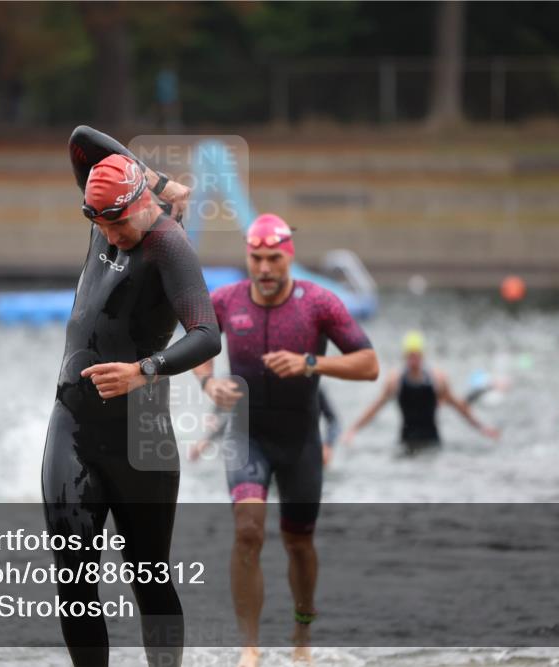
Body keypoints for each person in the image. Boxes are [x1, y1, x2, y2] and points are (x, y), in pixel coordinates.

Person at [41, 125, 221, 667]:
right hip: (72, 424)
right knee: (73, 579)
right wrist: (165, 180)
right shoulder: (104, 209)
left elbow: (207, 334)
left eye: (120, 222)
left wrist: (145, 370)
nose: (113, 234)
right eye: (102, 224)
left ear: (142, 205)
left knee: (150, 579)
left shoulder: (169, 245)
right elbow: (82, 139)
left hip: (141, 439)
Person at [192, 213, 379, 667]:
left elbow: (369, 364)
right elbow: (198, 343)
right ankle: (250, 648)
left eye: (273, 258)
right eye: (256, 259)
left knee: (298, 543)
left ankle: (301, 631)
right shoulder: (225, 300)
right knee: (248, 530)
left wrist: (311, 363)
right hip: (247, 434)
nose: (264, 269)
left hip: (300, 443)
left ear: (288, 256)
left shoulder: (319, 303)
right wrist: (207, 382)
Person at [342, 330, 499, 453]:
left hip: (433, 442)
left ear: (422, 355)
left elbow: (459, 406)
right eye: (410, 356)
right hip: (406, 443)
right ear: (405, 356)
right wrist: (353, 430)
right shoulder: (395, 380)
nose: (413, 360)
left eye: (416, 355)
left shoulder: (438, 379)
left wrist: (483, 428)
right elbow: (375, 407)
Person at [188, 385, 341, 468]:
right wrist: (207, 441)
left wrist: (328, 446)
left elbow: (334, 421)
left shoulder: (314, 388)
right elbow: (237, 417)